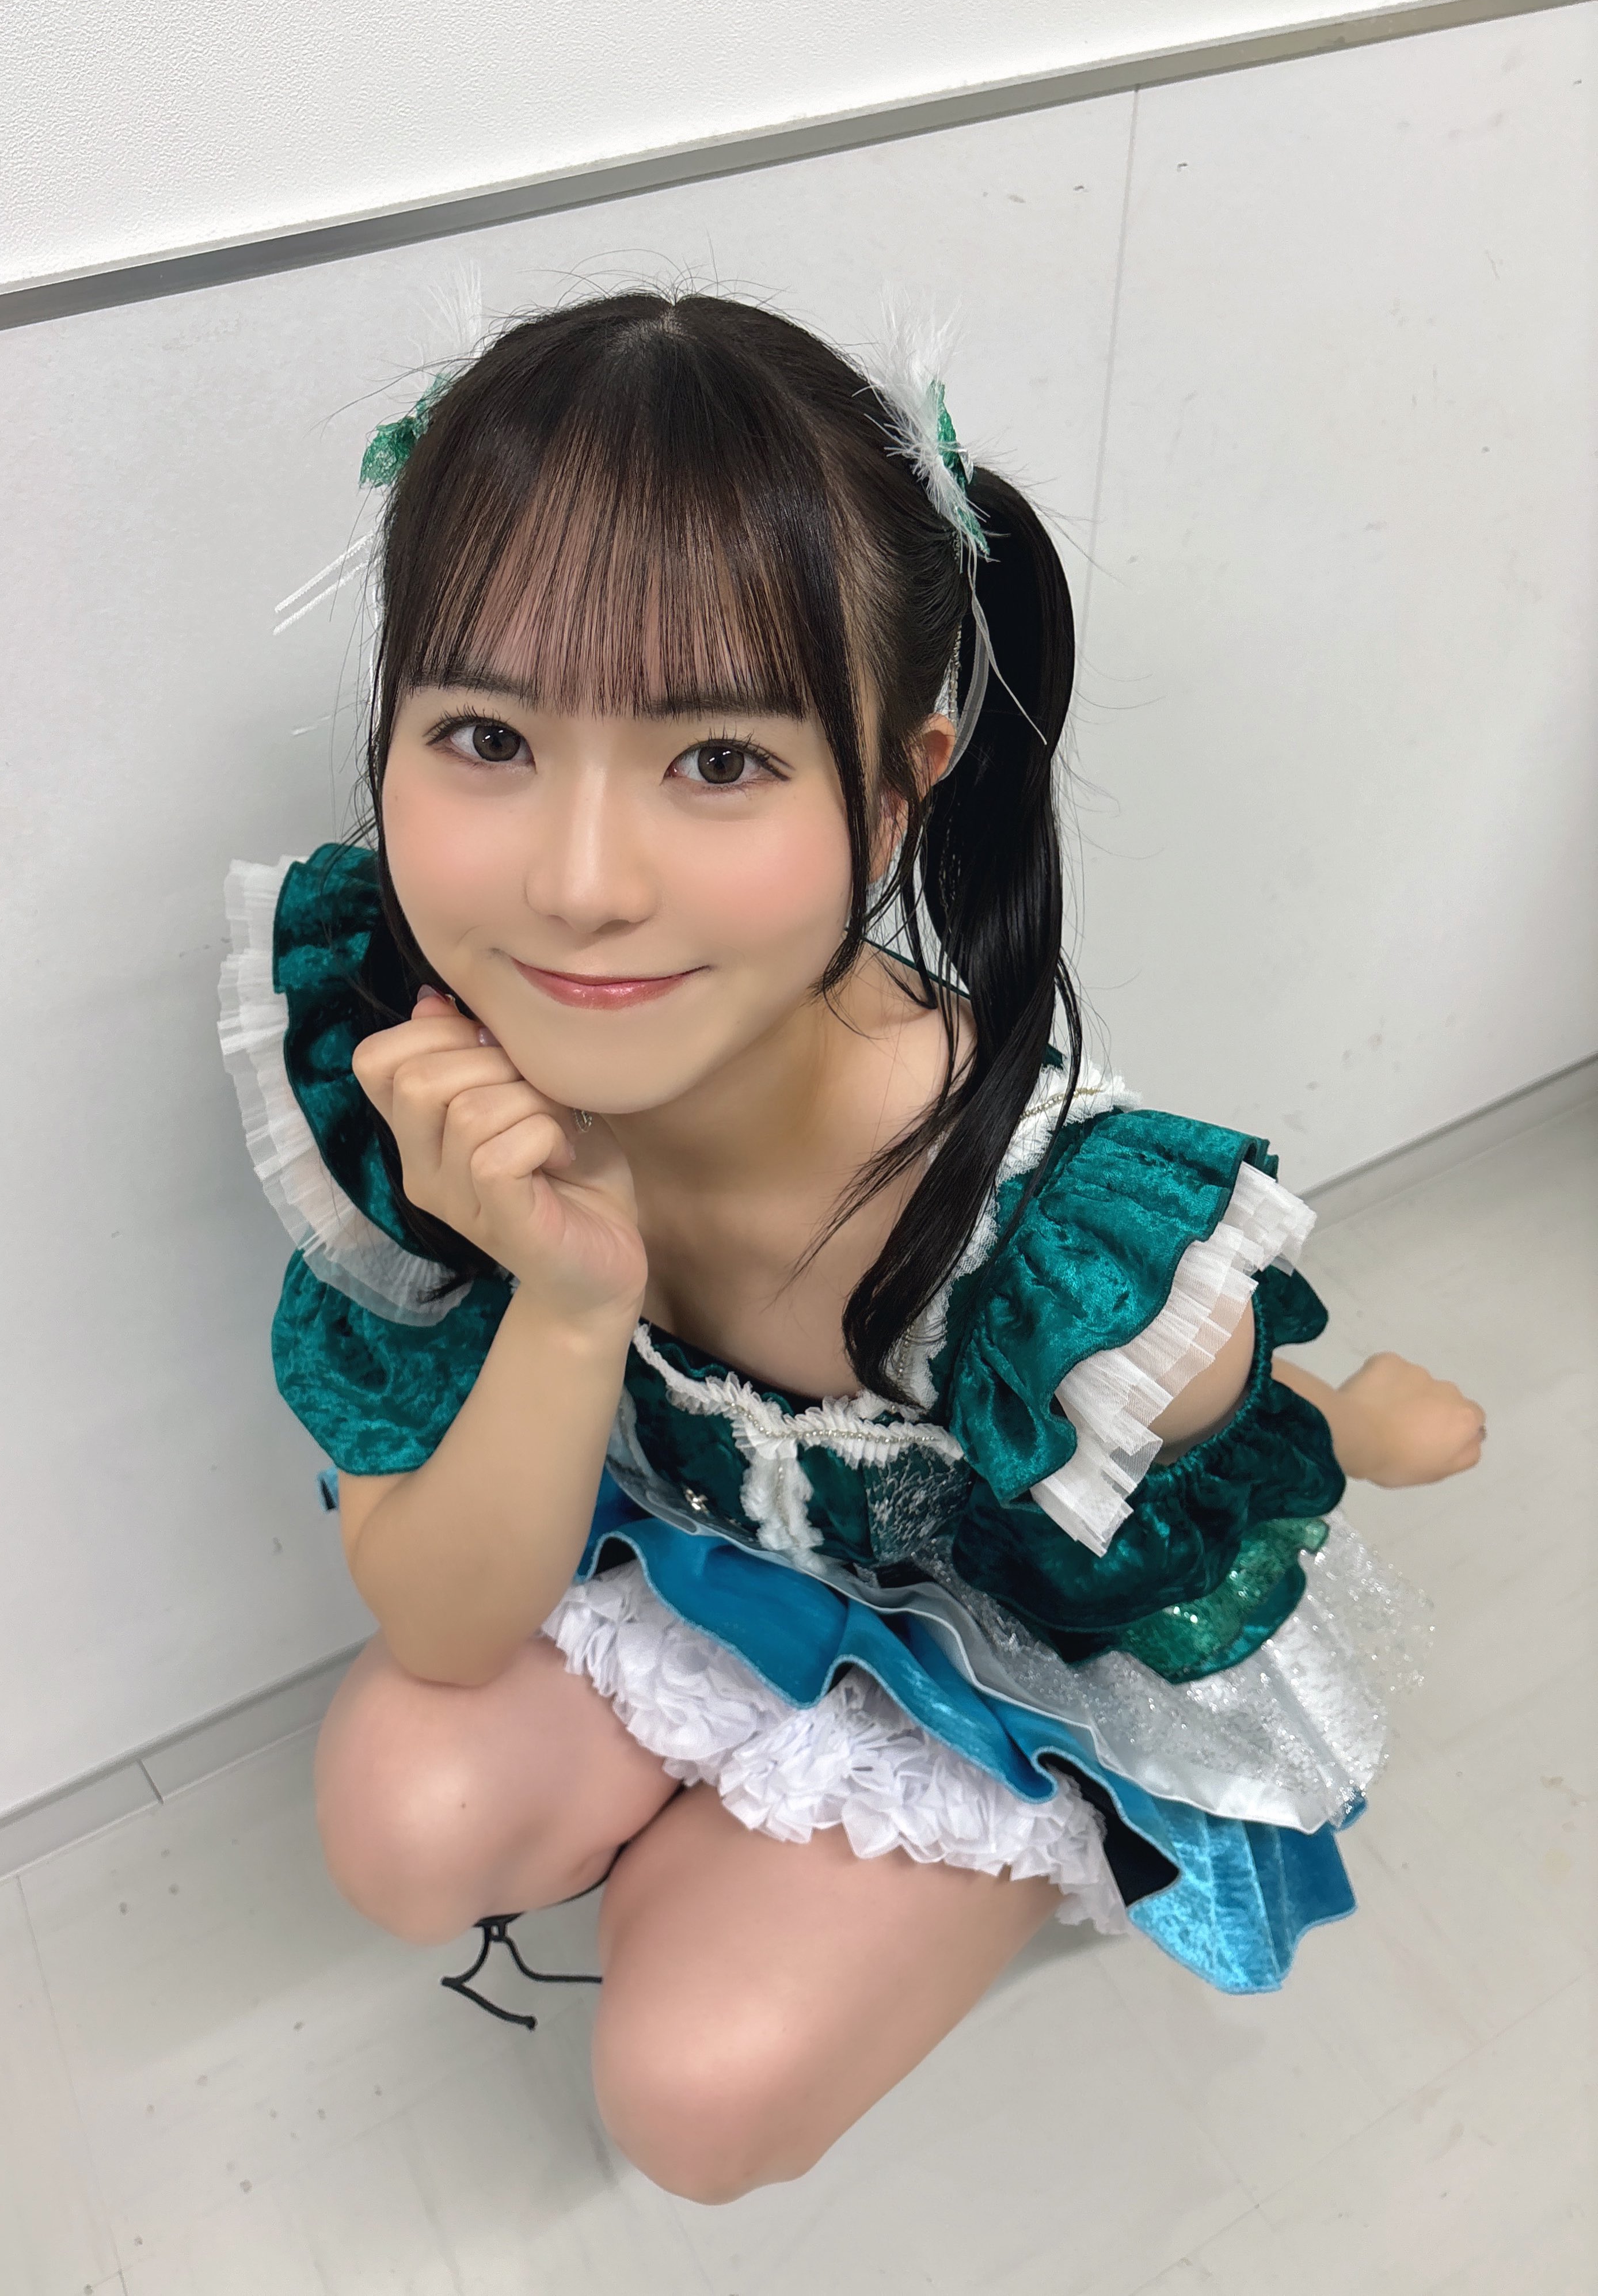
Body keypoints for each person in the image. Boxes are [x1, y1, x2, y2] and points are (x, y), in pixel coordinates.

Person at [219, 290, 1485, 2205]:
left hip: (972, 1623)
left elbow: (1183, 1475)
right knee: (406, 1818)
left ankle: (1335, 1423)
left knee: (693, 2096)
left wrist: (1322, 1414)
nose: (578, 882)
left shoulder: (1035, 1234)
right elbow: (445, 1623)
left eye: (718, 761)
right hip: (678, 1538)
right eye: (485, 734)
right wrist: (569, 1297)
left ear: (898, 787)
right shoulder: (413, 1063)